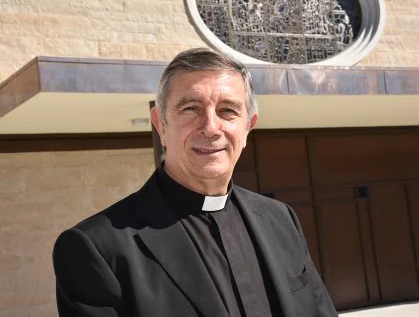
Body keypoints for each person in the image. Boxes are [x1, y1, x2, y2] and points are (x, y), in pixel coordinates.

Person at [53, 48, 338, 317]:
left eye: (228, 110)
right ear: (160, 125)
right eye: (190, 108)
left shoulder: (281, 218)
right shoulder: (96, 248)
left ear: (248, 127)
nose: (211, 127)